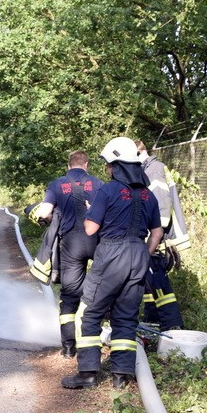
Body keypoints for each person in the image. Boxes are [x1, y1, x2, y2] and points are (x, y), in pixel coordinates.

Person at [62, 137, 163, 390]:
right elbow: (158, 233)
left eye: (108, 165)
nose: (106, 169)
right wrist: (144, 253)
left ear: (117, 165)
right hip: (139, 254)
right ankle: (121, 375)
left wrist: (90, 210)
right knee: (126, 317)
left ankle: (87, 374)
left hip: (111, 254)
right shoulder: (148, 195)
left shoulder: (106, 191)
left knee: (90, 312)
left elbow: (90, 229)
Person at [30, 151, 104, 357]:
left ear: (68, 165)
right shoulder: (98, 184)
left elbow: (44, 212)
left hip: (71, 244)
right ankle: (101, 337)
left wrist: (36, 214)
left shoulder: (57, 184)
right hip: (97, 241)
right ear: (87, 165)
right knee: (103, 289)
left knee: (70, 294)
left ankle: (69, 347)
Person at [135, 140, 184, 332]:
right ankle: (152, 319)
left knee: (158, 281)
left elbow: (162, 208)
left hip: (156, 238)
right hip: (153, 236)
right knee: (149, 281)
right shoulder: (150, 169)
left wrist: (154, 237)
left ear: (139, 153)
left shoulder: (153, 170)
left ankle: (172, 325)